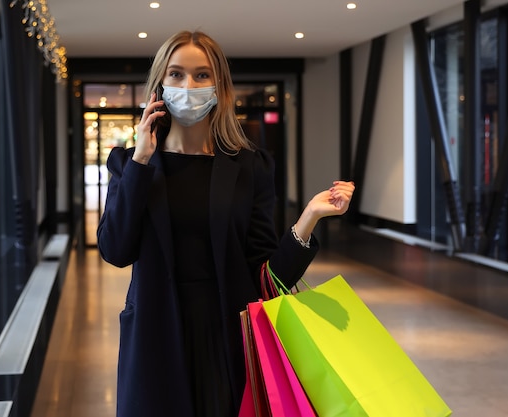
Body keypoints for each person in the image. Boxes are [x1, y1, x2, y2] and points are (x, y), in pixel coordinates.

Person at [97, 30, 355, 417]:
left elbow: (265, 274)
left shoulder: (251, 166)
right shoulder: (130, 164)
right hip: (155, 336)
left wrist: (309, 218)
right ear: (159, 86)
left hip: (229, 337)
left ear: (219, 86)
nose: (189, 85)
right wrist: (141, 161)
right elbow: (115, 250)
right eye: (177, 74)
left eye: (202, 75)